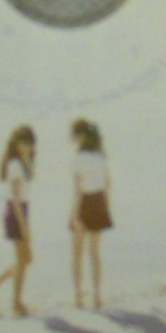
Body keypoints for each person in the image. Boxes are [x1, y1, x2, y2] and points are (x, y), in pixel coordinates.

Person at [0, 126, 36, 316]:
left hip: (21, 210)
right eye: (23, 144)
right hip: (16, 212)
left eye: (29, 144)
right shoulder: (14, 165)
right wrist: (23, 225)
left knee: (25, 259)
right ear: (15, 144)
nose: (26, 147)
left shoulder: (22, 163)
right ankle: (16, 302)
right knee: (24, 259)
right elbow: (14, 198)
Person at [69, 118, 112, 309]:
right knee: (94, 252)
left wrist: (74, 214)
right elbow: (108, 183)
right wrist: (106, 206)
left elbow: (78, 189)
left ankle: (79, 296)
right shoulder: (100, 156)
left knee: (78, 251)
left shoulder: (79, 159)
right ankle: (97, 295)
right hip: (99, 201)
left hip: (85, 201)